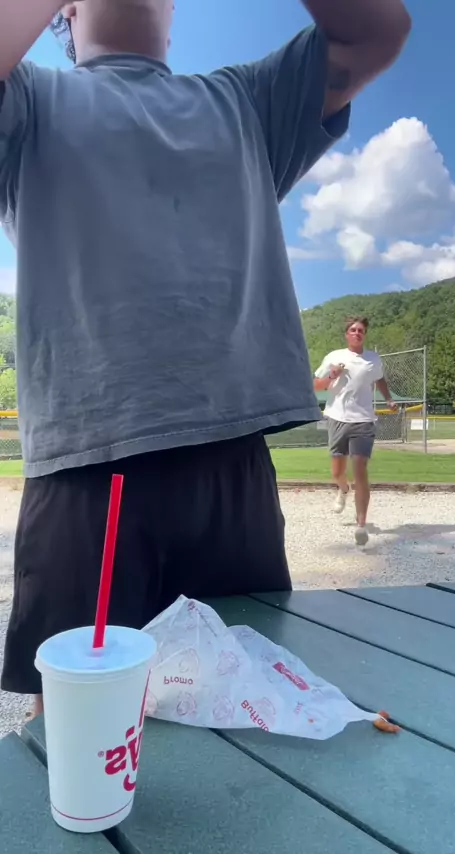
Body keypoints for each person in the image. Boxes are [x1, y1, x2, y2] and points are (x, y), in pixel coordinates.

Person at [0, 1, 411, 717]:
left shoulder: (246, 100)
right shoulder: (29, 98)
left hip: (231, 462)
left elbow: (377, 29)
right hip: (84, 467)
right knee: (84, 732)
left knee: (245, 720)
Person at [314, 317, 396, 546]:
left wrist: (388, 398)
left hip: (364, 421)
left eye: (361, 330)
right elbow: (316, 386)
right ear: (346, 334)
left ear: (365, 334)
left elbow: (380, 379)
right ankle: (342, 489)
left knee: (360, 469)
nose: (357, 333)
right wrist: (332, 375)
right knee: (337, 472)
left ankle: (361, 525)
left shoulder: (373, 359)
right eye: (353, 330)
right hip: (337, 418)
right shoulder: (334, 356)